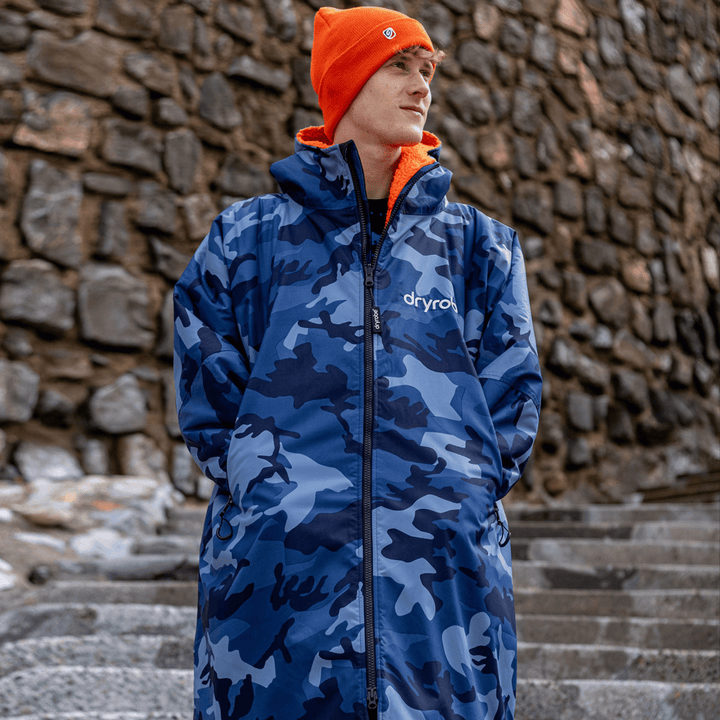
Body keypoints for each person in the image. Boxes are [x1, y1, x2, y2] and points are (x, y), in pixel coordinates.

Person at [174, 6, 542, 720]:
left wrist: (461, 497)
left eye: (426, 70)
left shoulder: (480, 247)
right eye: (399, 66)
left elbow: (513, 398)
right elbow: (208, 402)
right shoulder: (244, 240)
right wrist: (268, 499)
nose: (421, 86)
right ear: (344, 82)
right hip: (276, 598)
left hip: (444, 593)